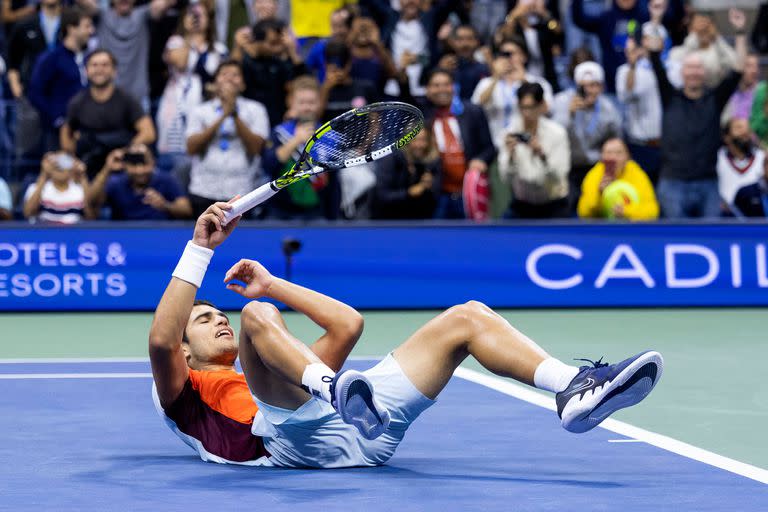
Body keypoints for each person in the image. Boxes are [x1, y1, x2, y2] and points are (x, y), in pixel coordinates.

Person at [148, 201, 664, 467]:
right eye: (203, 320)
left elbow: (349, 323)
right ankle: (334, 389)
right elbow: (159, 341)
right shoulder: (183, 397)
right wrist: (201, 248)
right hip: (292, 442)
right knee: (258, 315)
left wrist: (274, 282)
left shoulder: (279, 366)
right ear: (186, 352)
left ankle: (572, 387)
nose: (218, 319)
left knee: (468, 316)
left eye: (217, 314)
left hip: (359, 425)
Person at [647, 8, 748, 219]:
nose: (693, 73)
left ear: (704, 73)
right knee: (675, 239)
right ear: (682, 72)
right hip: (673, 181)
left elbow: (738, 69)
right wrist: (655, 19)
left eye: (698, 68)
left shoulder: (715, 98)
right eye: (689, 68)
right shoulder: (670, 96)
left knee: (711, 239)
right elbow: (654, 55)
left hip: (708, 182)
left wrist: (740, 33)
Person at [185, 59, 269, 217]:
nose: (229, 78)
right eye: (224, 74)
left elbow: (256, 148)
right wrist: (223, 115)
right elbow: (191, 147)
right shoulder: (200, 111)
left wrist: (234, 114)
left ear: (243, 84)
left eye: (235, 75)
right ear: (215, 82)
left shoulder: (256, 110)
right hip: (203, 189)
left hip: (242, 192)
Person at [60, 49, 156, 178]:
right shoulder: (77, 102)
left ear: (114, 71)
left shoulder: (127, 99)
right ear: (86, 71)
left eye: (105, 65)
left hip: (122, 167)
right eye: (94, 65)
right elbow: (66, 132)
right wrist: (73, 157)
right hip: (89, 165)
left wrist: (124, 151)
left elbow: (148, 132)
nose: (99, 69)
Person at [156, 1, 226, 175]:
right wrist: (188, 36)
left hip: (207, 109)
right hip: (178, 110)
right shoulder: (176, 42)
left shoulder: (219, 49)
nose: (196, 19)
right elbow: (180, 63)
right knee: (176, 161)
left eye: (200, 15)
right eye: (192, 15)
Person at [261, 75, 341, 220]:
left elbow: (334, 182)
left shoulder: (331, 137)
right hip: (279, 211)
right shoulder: (279, 132)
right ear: (292, 104)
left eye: (311, 102)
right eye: (302, 102)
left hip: (317, 212)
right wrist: (296, 140)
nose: (306, 107)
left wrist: (333, 217)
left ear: (319, 103)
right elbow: (268, 165)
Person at [423, 68, 496, 219]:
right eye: (436, 85)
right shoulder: (424, 118)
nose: (441, 89)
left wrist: (481, 160)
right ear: (428, 90)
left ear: (454, 87)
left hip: (469, 194)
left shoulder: (473, 112)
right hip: (437, 196)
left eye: (446, 84)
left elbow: (489, 148)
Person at [551, 61, 622, 210]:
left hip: (595, 166)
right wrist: (569, 115)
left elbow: (616, 141)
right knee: (565, 207)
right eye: (584, 86)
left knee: (596, 206)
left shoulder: (608, 109)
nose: (589, 91)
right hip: (568, 167)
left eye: (594, 85)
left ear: (602, 87)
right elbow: (554, 138)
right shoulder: (562, 101)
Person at [497, 82, 570, 219]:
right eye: (523, 107)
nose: (527, 113)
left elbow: (559, 176)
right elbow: (505, 178)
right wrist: (511, 156)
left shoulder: (557, 133)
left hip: (553, 206)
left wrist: (541, 155)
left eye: (531, 107)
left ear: (542, 106)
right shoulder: (509, 133)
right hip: (522, 206)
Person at [6, 0, 62, 174]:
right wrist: (16, 88)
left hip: (62, 96)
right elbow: (12, 60)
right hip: (31, 96)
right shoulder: (25, 24)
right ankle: (24, 191)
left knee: (61, 149)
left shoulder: (71, 21)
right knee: (26, 150)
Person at [27, 6, 94, 153]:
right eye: (87, 26)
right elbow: (35, 93)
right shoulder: (51, 59)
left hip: (87, 131)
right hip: (56, 134)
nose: (91, 31)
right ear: (71, 28)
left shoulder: (90, 58)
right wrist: (57, 120)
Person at [471, 37, 554, 147]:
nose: (508, 58)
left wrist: (524, 80)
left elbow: (547, 110)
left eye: (512, 53)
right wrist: (496, 76)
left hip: (529, 144)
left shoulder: (537, 82)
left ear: (524, 57)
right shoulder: (487, 83)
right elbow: (476, 109)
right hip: (495, 145)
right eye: (504, 54)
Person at [95, 0, 176, 110]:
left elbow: (164, 3)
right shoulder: (101, 14)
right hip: (107, 97)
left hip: (138, 98)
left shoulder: (142, 15)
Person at [233, 18, 307, 128]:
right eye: (272, 43)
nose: (277, 48)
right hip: (249, 122)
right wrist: (238, 48)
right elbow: (232, 75)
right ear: (257, 40)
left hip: (277, 122)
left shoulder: (278, 62)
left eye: (279, 42)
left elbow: (303, 82)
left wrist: (292, 51)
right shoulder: (244, 62)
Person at [87, 144, 193, 220]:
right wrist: (107, 169)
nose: (139, 170)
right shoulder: (116, 183)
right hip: (124, 236)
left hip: (158, 235)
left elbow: (186, 209)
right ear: (125, 165)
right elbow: (91, 202)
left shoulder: (166, 180)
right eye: (134, 164)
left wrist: (165, 205)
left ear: (153, 163)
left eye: (144, 163)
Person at [577, 137, 659, 220]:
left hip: (630, 228)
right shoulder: (595, 175)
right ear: (601, 157)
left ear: (627, 156)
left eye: (618, 153)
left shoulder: (636, 173)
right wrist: (599, 195)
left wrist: (626, 212)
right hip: (603, 229)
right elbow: (583, 213)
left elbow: (652, 211)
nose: (613, 158)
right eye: (608, 153)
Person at [616, 37, 662, 184]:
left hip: (667, 145)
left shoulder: (669, 67)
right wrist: (632, 66)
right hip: (639, 145)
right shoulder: (625, 70)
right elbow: (627, 95)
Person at [493, 0, 564, 92]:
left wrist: (545, 14)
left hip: (546, 73)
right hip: (520, 75)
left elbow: (558, 32)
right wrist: (514, 15)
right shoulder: (514, 26)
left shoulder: (544, 24)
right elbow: (500, 39)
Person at [372, 127, 439, 219]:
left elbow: (435, 198)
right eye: (415, 140)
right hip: (388, 221)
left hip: (418, 221)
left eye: (424, 140)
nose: (420, 145)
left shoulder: (431, 162)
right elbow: (382, 196)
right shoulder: (390, 160)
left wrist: (431, 186)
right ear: (406, 141)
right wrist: (408, 193)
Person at [23, 151, 93, 223]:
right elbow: (28, 213)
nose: (60, 166)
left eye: (64, 162)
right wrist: (44, 174)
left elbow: (90, 217)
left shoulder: (80, 190)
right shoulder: (35, 187)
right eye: (56, 162)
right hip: (45, 232)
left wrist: (82, 176)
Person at [716, 119, 765, 216]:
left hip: (756, 217)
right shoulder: (717, 158)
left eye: (748, 129)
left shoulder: (762, 158)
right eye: (739, 128)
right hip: (724, 216)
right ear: (727, 137)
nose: (745, 132)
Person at [436, 24, 489, 101]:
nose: (465, 44)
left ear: (477, 42)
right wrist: (441, 71)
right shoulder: (445, 65)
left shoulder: (484, 68)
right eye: (460, 39)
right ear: (452, 42)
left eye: (469, 39)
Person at [305, 5, 354, 83]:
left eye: (341, 26)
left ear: (350, 26)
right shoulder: (319, 47)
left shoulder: (356, 49)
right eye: (334, 26)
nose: (337, 31)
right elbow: (307, 72)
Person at [722, 54, 763, 126]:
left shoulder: (763, 92)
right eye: (749, 66)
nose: (754, 70)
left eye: (757, 66)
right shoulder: (728, 94)